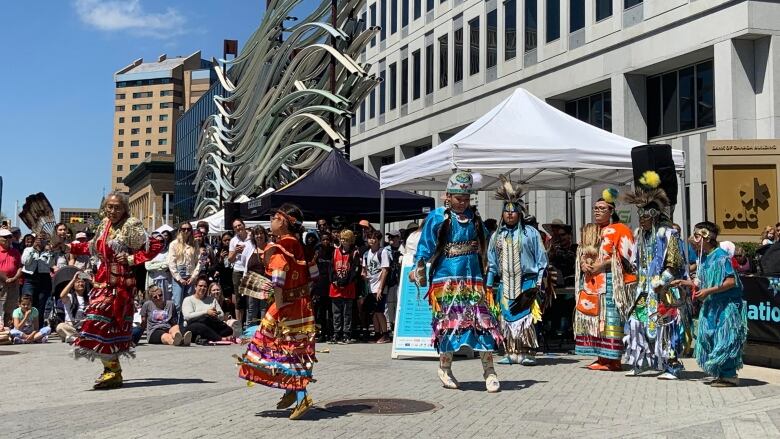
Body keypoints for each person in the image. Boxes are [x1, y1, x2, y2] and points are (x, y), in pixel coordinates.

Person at [411, 170, 502, 392]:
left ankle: (489, 371)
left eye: (466, 199)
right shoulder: (437, 217)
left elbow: (486, 248)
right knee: (448, 325)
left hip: (474, 281)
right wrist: (418, 267)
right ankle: (445, 368)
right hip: (446, 280)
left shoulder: (476, 218)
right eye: (458, 198)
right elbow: (424, 247)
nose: (462, 203)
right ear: (447, 197)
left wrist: (490, 274)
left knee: (483, 324)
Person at [69, 192, 162, 389]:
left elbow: (154, 245)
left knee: (101, 321)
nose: (113, 210)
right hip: (102, 280)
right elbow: (93, 247)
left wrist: (130, 259)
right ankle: (112, 370)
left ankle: (112, 371)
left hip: (120, 285)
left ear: (125, 209)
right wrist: (70, 246)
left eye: (117, 207)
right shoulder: (105, 224)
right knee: (99, 323)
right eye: (109, 207)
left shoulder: (131, 225)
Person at [238, 203, 319, 420]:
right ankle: (291, 390)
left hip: (285, 307)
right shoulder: (301, 246)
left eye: (273, 218)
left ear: (282, 221)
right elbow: (313, 276)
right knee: (293, 350)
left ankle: (302, 398)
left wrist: (280, 303)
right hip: (303, 305)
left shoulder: (280, 246)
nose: (270, 222)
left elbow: (278, 281)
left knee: (280, 347)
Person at [621, 172, 691, 379]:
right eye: (639, 216)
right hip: (643, 291)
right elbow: (637, 260)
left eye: (644, 216)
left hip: (665, 293)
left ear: (653, 215)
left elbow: (676, 264)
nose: (641, 220)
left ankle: (672, 366)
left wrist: (661, 281)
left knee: (666, 328)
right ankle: (642, 361)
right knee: (635, 323)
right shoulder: (640, 235)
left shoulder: (669, 234)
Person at [673, 222, 747, 387]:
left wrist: (708, 292)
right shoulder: (705, 258)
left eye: (697, 236)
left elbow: (730, 281)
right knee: (711, 339)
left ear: (707, 238)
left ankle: (729, 376)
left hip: (726, 306)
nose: (694, 239)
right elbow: (702, 282)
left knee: (725, 340)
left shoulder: (721, 257)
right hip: (712, 306)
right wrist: (685, 282)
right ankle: (721, 374)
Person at [486, 177, 548, 366]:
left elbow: (541, 260)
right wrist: (489, 284)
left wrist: (539, 282)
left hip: (527, 283)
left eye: (514, 212)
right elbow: (492, 262)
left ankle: (528, 352)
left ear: (520, 213)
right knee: (507, 317)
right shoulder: (497, 236)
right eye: (507, 212)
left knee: (525, 318)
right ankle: (511, 352)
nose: (510, 215)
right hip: (505, 284)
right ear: (503, 214)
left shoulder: (530, 233)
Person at [574, 189, 636, 372]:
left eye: (602, 208)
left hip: (611, 283)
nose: (597, 211)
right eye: (595, 208)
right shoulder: (590, 230)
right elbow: (581, 252)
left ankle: (613, 360)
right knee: (593, 319)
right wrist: (583, 263)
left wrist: (604, 265)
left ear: (611, 211)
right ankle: (601, 358)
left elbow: (628, 258)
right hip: (591, 284)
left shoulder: (621, 230)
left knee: (610, 320)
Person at [329, 229, 361, 344]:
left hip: (348, 286)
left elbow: (354, 270)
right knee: (336, 312)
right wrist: (335, 280)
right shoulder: (335, 251)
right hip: (335, 287)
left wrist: (345, 282)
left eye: (346, 240)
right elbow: (331, 268)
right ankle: (336, 333)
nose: (343, 241)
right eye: (342, 239)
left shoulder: (354, 253)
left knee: (347, 312)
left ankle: (346, 333)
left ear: (351, 241)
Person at [181, 276, 233, 343]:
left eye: (205, 286)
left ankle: (204, 337)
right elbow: (187, 316)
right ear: (195, 287)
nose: (202, 288)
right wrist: (206, 312)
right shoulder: (188, 300)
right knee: (201, 323)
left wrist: (215, 314)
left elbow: (222, 315)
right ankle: (219, 338)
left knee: (229, 330)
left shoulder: (212, 300)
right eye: (200, 286)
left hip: (211, 324)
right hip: (193, 326)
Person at [362, 230, 391, 343]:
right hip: (370, 286)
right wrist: (364, 274)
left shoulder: (382, 252)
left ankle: (385, 334)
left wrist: (380, 288)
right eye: (369, 238)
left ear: (379, 240)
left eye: (374, 238)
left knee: (379, 311)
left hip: (380, 286)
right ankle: (377, 333)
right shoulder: (366, 254)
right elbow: (364, 270)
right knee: (373, 311)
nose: (371, 240)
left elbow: (385, 270)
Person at [168, 222, 201, 323]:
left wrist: (194, 276)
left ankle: (186, 324)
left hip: (190, 274)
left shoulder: (195, 243)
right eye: (184, 229)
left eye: (188, 229)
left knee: (188, 302)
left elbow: (199, 261)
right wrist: (178, 278)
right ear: (180, 230)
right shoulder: (174, 244)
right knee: (177, 302)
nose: (186, 231)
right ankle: (177, 324)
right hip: (179, 273)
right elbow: (171, 263)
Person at [21, 233, 54, 328]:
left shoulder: (47, 252)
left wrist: (50, 253)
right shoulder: (28, 249)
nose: (40, 241)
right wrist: (33, 249)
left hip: (44, 279)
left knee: (41, 304)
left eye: (42, 239)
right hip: (30, 279)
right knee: (27, 300)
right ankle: (25, 325)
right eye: (38, 239)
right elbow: (25, 262)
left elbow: (51, 264)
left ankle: (38, 327)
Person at [228, 219, 254, 328]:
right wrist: (236, 251)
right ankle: (239, 326)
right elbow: (230, 259)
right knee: (239, 299)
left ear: (244, 225)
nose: (238, 228)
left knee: (251, 299)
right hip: (238, 270)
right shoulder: (233, 240)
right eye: (235, 227)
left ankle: (250, 325)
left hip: (250, 270)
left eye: (239, 225)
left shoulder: (251, 237)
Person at [244, 225, 271, 327]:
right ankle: (250, 331)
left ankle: (264, 330)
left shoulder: (270, 247)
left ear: (265, 235)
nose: (259, 236)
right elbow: (244, 262)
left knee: (264, 308)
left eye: (261, 233)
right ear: (253, 236)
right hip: (252, 281)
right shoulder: (250, 248)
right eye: (256, 234)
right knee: (251, 308)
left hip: (266, 282)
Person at [55, 271, 90, 343]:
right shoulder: (70, 297)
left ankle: (74, 337)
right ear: (73, 285)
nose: (80, 284)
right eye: (78, 282)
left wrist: (90, 278)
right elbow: (62, 295)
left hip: (84, 326)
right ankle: (78, 337)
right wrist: (73, 279)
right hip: (71, 326)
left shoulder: (89, 297)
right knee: (60, 327)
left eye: (82, 282)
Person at [313, 232, 333, 342]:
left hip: (330, 284)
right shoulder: (317, 252)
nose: (326, 241)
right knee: (320, 311)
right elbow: (313, 267)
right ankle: (322, 333)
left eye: (327, 239)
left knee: (330, 311)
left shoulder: (333, 252)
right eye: (324, 239)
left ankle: (330, 332)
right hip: (319, 284)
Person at [0, 228, 23, 327]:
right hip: (1, 283)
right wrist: (5, 279)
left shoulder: (15, 252)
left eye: (10, 237)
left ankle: (6, 329)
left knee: (11, 308)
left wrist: (14, 278)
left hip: (13, 283)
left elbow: (20, 267)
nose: (8, 239)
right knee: (1, 306)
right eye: (5, 237)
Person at [384, 230, 403, 333]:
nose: (391, 238)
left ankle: (398, 323)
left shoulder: (404, 249)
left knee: (399, 302)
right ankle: (389, 324)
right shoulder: (385, 250)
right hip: (390, 280)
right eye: (389, 237)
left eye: (393, 237)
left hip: (400, 280)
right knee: (389, 303)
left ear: (398, 238)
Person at [144, 233, 172, 301]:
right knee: (153, 301)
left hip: (165, 280)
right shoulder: (149, 252)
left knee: (165, 300)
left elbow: (168, 264)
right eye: (157, 241)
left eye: (161, 241)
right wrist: (161, 265)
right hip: (152, 281)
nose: (159, 243)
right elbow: (148, 266)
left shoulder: (168, 252)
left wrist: (154, 264)